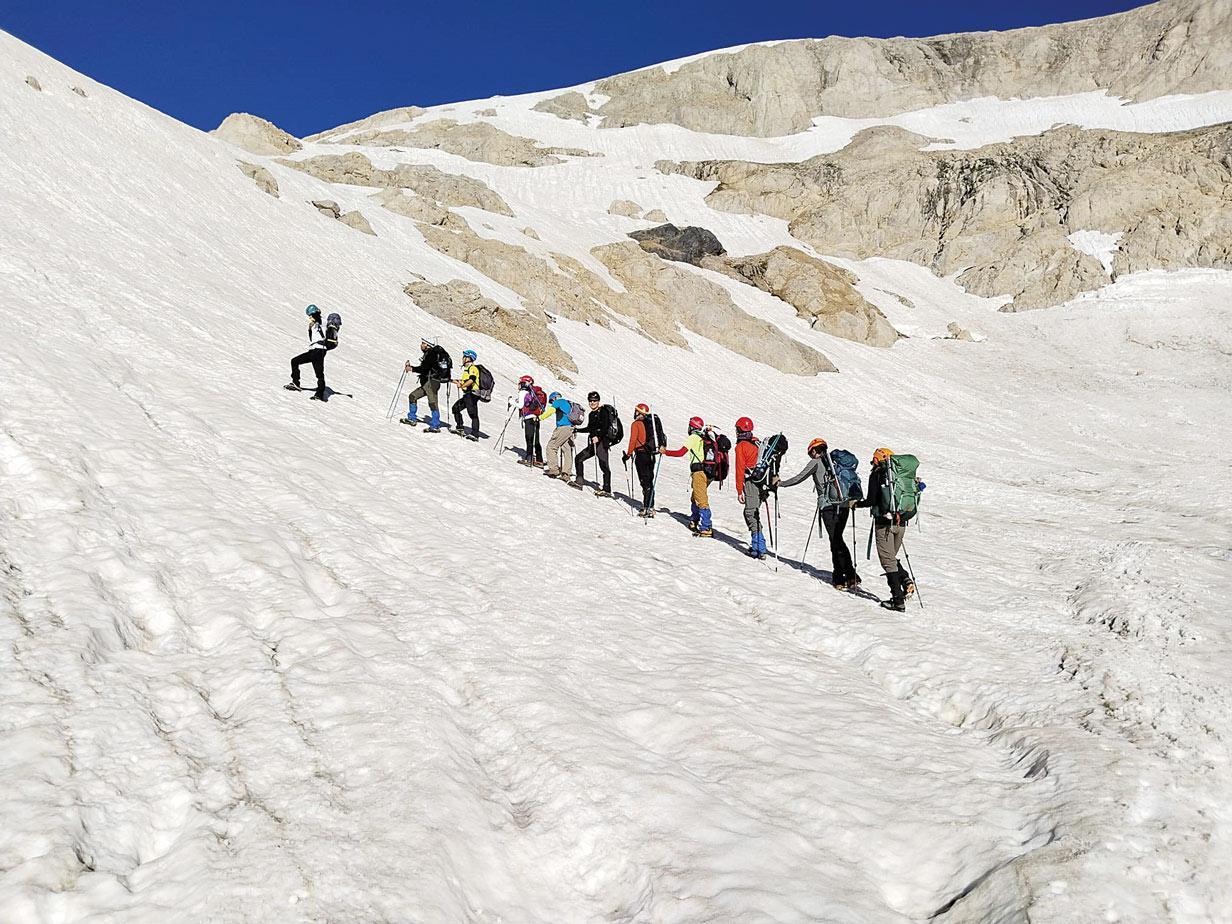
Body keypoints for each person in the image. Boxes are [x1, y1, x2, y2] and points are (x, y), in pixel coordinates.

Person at [778, 439, 861, 589]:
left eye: (811, 453)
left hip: (828, 507)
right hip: (843, 505)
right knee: (838, 539)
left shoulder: (816, 462)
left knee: (835, 541)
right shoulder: (836, 463)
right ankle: (849, 576)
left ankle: (842, 577)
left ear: (815, 450)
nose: (811, 456)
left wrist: (780, 483)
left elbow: (799, 477)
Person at [854, 447, 916, 611]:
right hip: (901, 523)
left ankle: (897, 601)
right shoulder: (900, 476)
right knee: (892, 557)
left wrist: (855, 504)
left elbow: (872, 500)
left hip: (884, 524)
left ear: (877, 459)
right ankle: (906, 581)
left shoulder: (877, 474)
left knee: (888, 561)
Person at [662, 416, 714, 537]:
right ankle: (694, 521)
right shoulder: (703, 437)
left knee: (701, 499)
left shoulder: (694, 437)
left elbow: (681, 452)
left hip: (699, 472)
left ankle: (706, 527)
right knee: (695, 496)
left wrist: (666, 452)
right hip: (708, 471)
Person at [286, 304, 338, 400]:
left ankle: (320, 394)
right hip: (312, 350)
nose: (309, 317)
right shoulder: (314, 325)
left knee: (319, 373)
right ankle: (296, 383)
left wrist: (315, 317)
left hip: (319, 350)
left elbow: (318, 318)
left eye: (310, 315)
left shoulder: (322, 320)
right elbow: (312, 338)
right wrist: (310, 327)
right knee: (294, 361)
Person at [732, 417, 766, 558]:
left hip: (751, 483)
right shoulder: (757, 442)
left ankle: (759, 548)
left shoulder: (741, 446)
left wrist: (739, 490)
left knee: (751, 513)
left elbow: (740, 469)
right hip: (763, 483)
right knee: (754, 513)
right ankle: (758, 546)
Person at [403, 338, 451, 432]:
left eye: (423, 343)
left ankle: (435, 425)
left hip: (431, 383)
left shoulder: (431, 354)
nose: (421, 345)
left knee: (432, 403)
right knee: (412, 396)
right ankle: (412, 418)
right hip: (427, 383)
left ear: (428, 345)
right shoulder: (430, 354)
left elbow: (424, 368)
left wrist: (411, 368)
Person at [573, 391, 614, 496]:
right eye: (590, 401)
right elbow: (590, 428)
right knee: (578, 458)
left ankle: (607, 489)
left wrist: (598, 437)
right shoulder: (591, 414)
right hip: (593, 444)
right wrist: (578, 430)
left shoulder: (603, 411)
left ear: (598, 401)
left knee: (604, 466)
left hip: (602, 444)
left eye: (595, 401)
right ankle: (579, 481)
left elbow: (605, 427)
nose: (592, 403)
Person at [622, 403, 659, 517]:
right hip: (651, 455)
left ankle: (646, 507)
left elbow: (633, 441)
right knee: (650, 480)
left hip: (641, 455)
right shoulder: (650, 425)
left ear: (638, 412)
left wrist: (628, 455)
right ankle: (651, 506)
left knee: (644, 481)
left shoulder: (636, 424)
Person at [539, 391, 576, 480]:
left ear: (554, 398)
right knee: (566, 449)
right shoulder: (567, 403)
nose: (552, 403)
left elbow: (551, 411)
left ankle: (554, 470)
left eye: (551, 401)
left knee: (551, 447)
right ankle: (566, 472)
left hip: (563, 428)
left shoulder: (558, 402)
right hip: (571, 428)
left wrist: (540, 418)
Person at [451, 349, 480, 440]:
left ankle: (475, 434)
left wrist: (462, 385)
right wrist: (452, 380)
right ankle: (460, 428)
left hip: (472, 394)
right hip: (468, 394)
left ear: (469, 358)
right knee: (456, 408)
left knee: (473, 414)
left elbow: (472, 380)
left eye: (464, 357)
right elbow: (464, 380)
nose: (462, 359)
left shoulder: (473, 368)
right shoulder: (467, 369)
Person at [516, 375, 545, 467]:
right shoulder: (534, 393)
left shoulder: (523, 392)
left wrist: (511, 401)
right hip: (536, 417)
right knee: (536, 439)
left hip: (528, 418)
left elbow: (520, 406)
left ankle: (529, 459)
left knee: (529, 438)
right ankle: (539, 460)